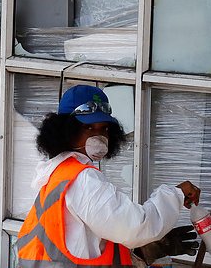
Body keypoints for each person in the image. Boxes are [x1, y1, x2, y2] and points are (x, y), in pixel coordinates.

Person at [16, 85, 200, 267]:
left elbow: (83, 245)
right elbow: (134, 228)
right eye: (89, 128)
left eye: (104, 129)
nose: (99, 137)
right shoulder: (83, 179)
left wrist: (141, 253)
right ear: (66, 130)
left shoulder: (59, 173)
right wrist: (175, 194)